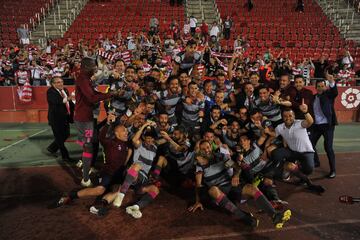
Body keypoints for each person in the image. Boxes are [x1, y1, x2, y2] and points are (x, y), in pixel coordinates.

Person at [188, 140, 291, 229]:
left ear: (211, 146)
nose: (206, 150)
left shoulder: (221, 157)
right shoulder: (200, 165)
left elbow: (237, 167)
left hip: (230, 185)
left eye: (207, 147)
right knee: (212, 189)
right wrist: (198, 201)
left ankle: (274, 216)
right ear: (200, 151)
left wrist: (236, 175)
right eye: (203, 149)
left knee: (252, 188)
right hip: (219, 191)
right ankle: (246, 218)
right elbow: (198, 184)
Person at [50, 115, 132, 214]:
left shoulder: (127, 145)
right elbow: (101, 136)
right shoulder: (111, 143)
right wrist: (107, 124)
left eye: (126, 131)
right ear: (116, 133)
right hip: (108, 173)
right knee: (99, 190)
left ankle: (101, 205)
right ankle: (69, 196)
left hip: (118, 175)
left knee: (118, 191)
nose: (127, 132)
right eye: (124, 131)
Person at [74, 57, 118, 187]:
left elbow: (93, 92)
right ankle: (85, 177)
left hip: (86, 118)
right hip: (84, 119)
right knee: (88, 146)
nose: (95, 68)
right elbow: (92, 97)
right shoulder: (82, 79)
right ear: (87, 67)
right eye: (94, 66)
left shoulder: (85, 78)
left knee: (89, 144)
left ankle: (85, 168)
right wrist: (110, 94)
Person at [112, 121, 160, 219]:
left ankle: (135, 207)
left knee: (155, 190)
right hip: (132, 173)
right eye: (148, 138)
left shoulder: (155, 148)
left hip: (142, 180)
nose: (150, 140)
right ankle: (121, 195)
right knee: (137, 165)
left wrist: (155, 126)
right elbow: (134, 139)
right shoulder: (139, 144)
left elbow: (163, 138)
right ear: (144, 138)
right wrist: (145, 125)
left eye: (151, 138)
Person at [310, 74, 338, 178]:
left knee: (328, 148)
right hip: (316, 126)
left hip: (327, 126)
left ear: (325, 87)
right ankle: (316, 162)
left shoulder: (328, 95)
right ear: (316, 87)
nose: (320, 88)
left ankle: (333, 170)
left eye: (322, 86)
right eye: (319, 86)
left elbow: (335, 92)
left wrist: (331, 82)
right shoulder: (313, 98)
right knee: (310, 144)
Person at [46, 77, 74, 162]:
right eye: (58, 82)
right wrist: (67, 99)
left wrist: (75, 107)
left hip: (65, 117)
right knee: (59, 138)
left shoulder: (65, 90)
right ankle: (65, 156)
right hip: (55, 118)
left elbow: (69, 102)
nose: (61, 83)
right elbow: (56, 101)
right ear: (53, 84)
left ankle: (52, 148)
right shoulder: (50, 91)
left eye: (62, 82)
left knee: (66, 134)